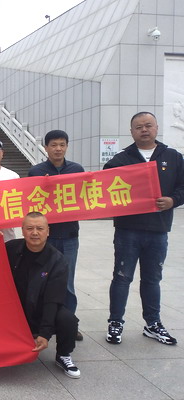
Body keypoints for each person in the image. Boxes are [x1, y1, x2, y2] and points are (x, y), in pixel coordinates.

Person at [103, 111, 184, 345]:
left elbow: (182, 187)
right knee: (122, 278)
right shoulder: (120, 159)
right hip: (128, 231)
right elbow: (101, 186)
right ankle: (115, 322)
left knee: (152, 279)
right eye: (139, 127)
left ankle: (153, 323)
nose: (144, 130)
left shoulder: (172, 156)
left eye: (148, 125)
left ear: (157, 127)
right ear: (131, 132)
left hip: (158, 230)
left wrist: (173, 200)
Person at [5, 212, 80, 379]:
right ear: (22, 230)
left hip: (41, 309)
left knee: (68, 320)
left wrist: (45, 334)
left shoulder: (57, 260)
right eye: (29, 228)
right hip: (14, 308)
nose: (35, 233)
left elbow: (52, 300)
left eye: (39, 228)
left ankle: (63, 355)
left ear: (48, 231)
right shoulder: (11, 248)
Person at [28, 130, 85, 341]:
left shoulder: (77, 170)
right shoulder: (36, 172)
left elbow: (85, 197)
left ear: (67, 146)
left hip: (69, 235)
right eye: (53, 145)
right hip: (45, 238)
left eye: (62, 144)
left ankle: (69, 324)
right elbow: (30, 204)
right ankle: (40, 324)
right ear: (46, 148)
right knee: (41, 281)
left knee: (67, 282)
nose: (58, 149)